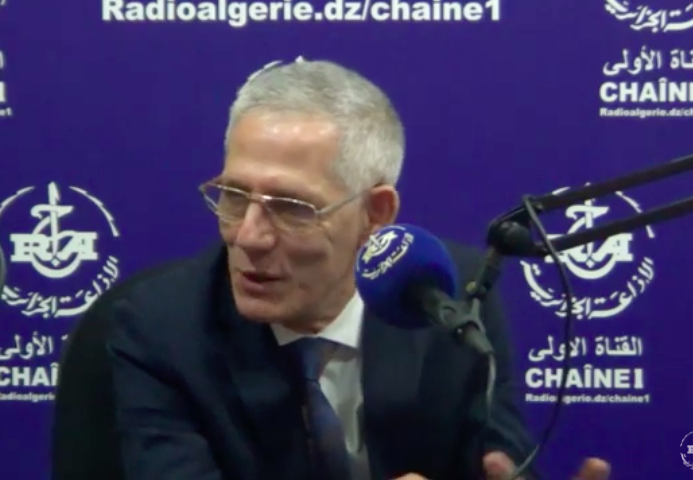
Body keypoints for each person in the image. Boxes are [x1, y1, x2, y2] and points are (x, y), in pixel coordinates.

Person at [105, 58, 612, 480]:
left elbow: (497, 461)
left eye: (291, 208)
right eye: (234, 196)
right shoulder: (161, 328)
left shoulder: (451, 295)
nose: (247, 236)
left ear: (375, 214)